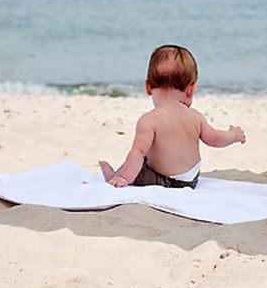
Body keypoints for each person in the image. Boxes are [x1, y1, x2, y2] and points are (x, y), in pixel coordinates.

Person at [99, 44, 245, 189]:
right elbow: (215, 139)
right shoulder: (196, 117)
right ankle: (119, 175)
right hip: (190, 180)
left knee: (137, 157)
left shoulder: (149, 120)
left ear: (148, 87)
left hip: (163, 180)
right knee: (140, 159)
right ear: (190, 90)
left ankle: (118, 177)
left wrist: (125, 178)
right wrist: (234, 135)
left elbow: (138, 152)